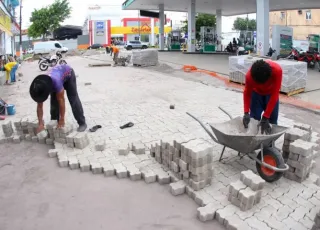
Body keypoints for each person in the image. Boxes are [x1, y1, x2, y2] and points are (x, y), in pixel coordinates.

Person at [29, 64, 87, 133]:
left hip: (68, 74)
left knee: (73, 98)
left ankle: (82, 123)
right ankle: (54, 121)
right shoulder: (39, 86)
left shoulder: (56, 83)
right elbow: (39, 106)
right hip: (55, 78)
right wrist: (40, 123)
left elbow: (61, 101)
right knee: (53, 101)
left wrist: (62, 119)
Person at [242, 59, 282, 134]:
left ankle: (269, 142)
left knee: (272, 120)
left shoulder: (277, 71)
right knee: (254, 119)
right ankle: (253, 140)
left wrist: (266, 116)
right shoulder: (249, 76)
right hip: (256, 95)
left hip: (271, 94)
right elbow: (247, 93)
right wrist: (246, 112)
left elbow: (275, 93)